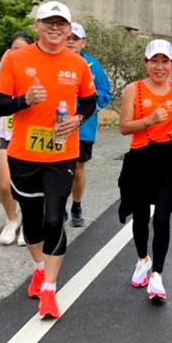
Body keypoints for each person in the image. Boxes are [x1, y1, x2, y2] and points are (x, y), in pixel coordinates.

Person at [0, 1, 97, 319]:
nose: (55, 28)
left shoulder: (77, 64)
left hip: (61, 153)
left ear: (69, 30)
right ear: (37, 26)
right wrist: (25, 100)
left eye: (61, 23)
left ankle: (49, 290)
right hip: (23, 154)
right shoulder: (16, 59)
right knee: (33, 220)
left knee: (54, 219)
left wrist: (77, 119)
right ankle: (39, 267)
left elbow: (90, 102)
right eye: (48, 22)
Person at [117, 39, 172, 302]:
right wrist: (150, 120)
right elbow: (124, 127)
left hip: (169, 157)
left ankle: (157, 275)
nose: (159, 67)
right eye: (154, 61)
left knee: (162, 217)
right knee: (140, 215)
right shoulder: (132, 90)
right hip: (140, 157)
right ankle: (142, 259)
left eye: (165, 61)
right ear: (145, 63)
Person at [0, 31, 35, 246]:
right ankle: (11, 220)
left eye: (23, 49)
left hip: (30, 135)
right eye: (14, 49)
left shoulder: (35, 70)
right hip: (8, 135)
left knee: (28, 186)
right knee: (5, 184)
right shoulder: (6, 69)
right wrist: (3, 63)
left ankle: (28, 223)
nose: (18, 53)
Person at [66, 22, 113, 228]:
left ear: (83, 42)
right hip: (55, 127)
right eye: (68, 37)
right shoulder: (53, 61)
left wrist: (86, 108)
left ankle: (76, 205)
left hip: (83, 128)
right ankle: (57, 207)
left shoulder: (93, 66)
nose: (70, 42)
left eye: (75, 39)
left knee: (77, 168)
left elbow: (105, 93)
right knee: (56, 169)